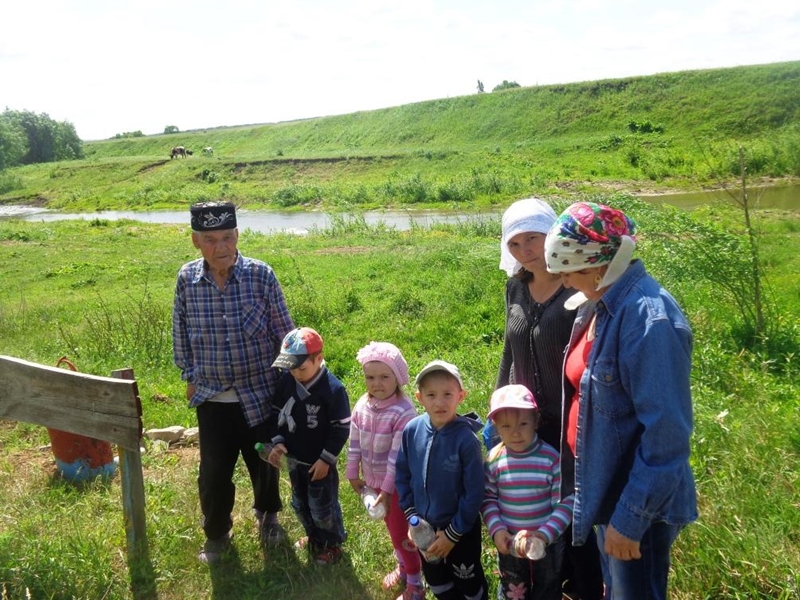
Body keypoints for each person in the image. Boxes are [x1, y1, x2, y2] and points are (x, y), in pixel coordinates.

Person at [544, 201, 698, 600]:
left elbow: (667, 437)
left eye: (570, 272)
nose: (563, 283)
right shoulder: (601, 304)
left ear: (599, 265)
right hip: (605, 485)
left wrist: (630, 520)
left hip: (633, 501)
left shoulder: (650, 320)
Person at [172, 200, 295, 564]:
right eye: (210, 239)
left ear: (238, 235)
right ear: (196, 241)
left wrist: (288, 386)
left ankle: (268, 516)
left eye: (227, 236)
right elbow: (180, 332)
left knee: (265, 463)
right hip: (211, 397)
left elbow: (286, 336)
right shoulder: (187, 280)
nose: (221, 246)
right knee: (213, 472)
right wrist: (190, 376)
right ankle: (217, 533)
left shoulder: (261, 276)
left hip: (260, 393)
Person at [493, 197, 604, 599]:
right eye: (515, 243)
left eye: (534, 239)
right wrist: (499, 407)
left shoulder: (578, 284)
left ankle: (587, 585)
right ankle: (538, 581)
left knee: (574, 506)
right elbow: (509, 348)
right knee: (530, 500)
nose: (526, 250)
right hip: (521, 419)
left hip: (567, 420)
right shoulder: (515, 287)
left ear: (553, 235)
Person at [395, 360, 488, 600]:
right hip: (424, 528)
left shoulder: (466, 441)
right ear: (419, 397)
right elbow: (403, 475)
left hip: (460, 530)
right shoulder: (411, 430)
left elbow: (474, 492)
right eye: (431, 395)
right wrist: (412, 519)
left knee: (468, 580)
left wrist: (453, 534)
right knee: (437, 580)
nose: (439, 402)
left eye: (448, 394)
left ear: (461, 396)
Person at [264, 327, 351, 565]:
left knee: (322, 506)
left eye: (301, 368)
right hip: (295, 460)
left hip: (319, 463)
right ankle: (313, 536)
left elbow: (341, 427)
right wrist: (279, 442)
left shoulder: (333, 390)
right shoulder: (286, 382)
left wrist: (326, 459)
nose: (295, 373)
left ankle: (332, 543)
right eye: (290, 368)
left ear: (319, 359)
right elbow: (276, 413)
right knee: (300, 503)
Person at [346, 341, 424, 600]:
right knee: (392, 529)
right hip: (376, 483)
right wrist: (351, 472)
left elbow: (397, 459)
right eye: (370, 377)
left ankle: (415, 583)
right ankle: (403, 567)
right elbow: (354, 440)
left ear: (398, 378)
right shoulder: (362, 405)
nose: (376, 383)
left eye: (384, 377)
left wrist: (388, 491)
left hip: (399, 487)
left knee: (403, 533)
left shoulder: (403, 412)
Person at [481, 384, 574, 600]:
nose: (515, 432)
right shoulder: (494, 461)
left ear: (536, 420)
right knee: (513, 590)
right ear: (496, 427)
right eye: (506, 426)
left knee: (548, 588)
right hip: (509, 542)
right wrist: (497, 531)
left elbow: (565, 503)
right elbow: (488, 499)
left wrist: (544, 535)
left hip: (546, 544)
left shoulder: (550, 459)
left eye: (523, 423)